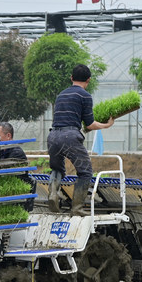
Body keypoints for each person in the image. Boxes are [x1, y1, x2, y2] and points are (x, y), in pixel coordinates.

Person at [47, 64, 115, 215]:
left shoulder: (61, 95)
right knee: (85, 172)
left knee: (57, 168)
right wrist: (107, 125)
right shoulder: (85, 96)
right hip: (69, 136)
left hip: (52, 136)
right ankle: (77, 208)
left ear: (71, 78)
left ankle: (52, 194)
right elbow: (90, 124)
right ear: (88, 80)